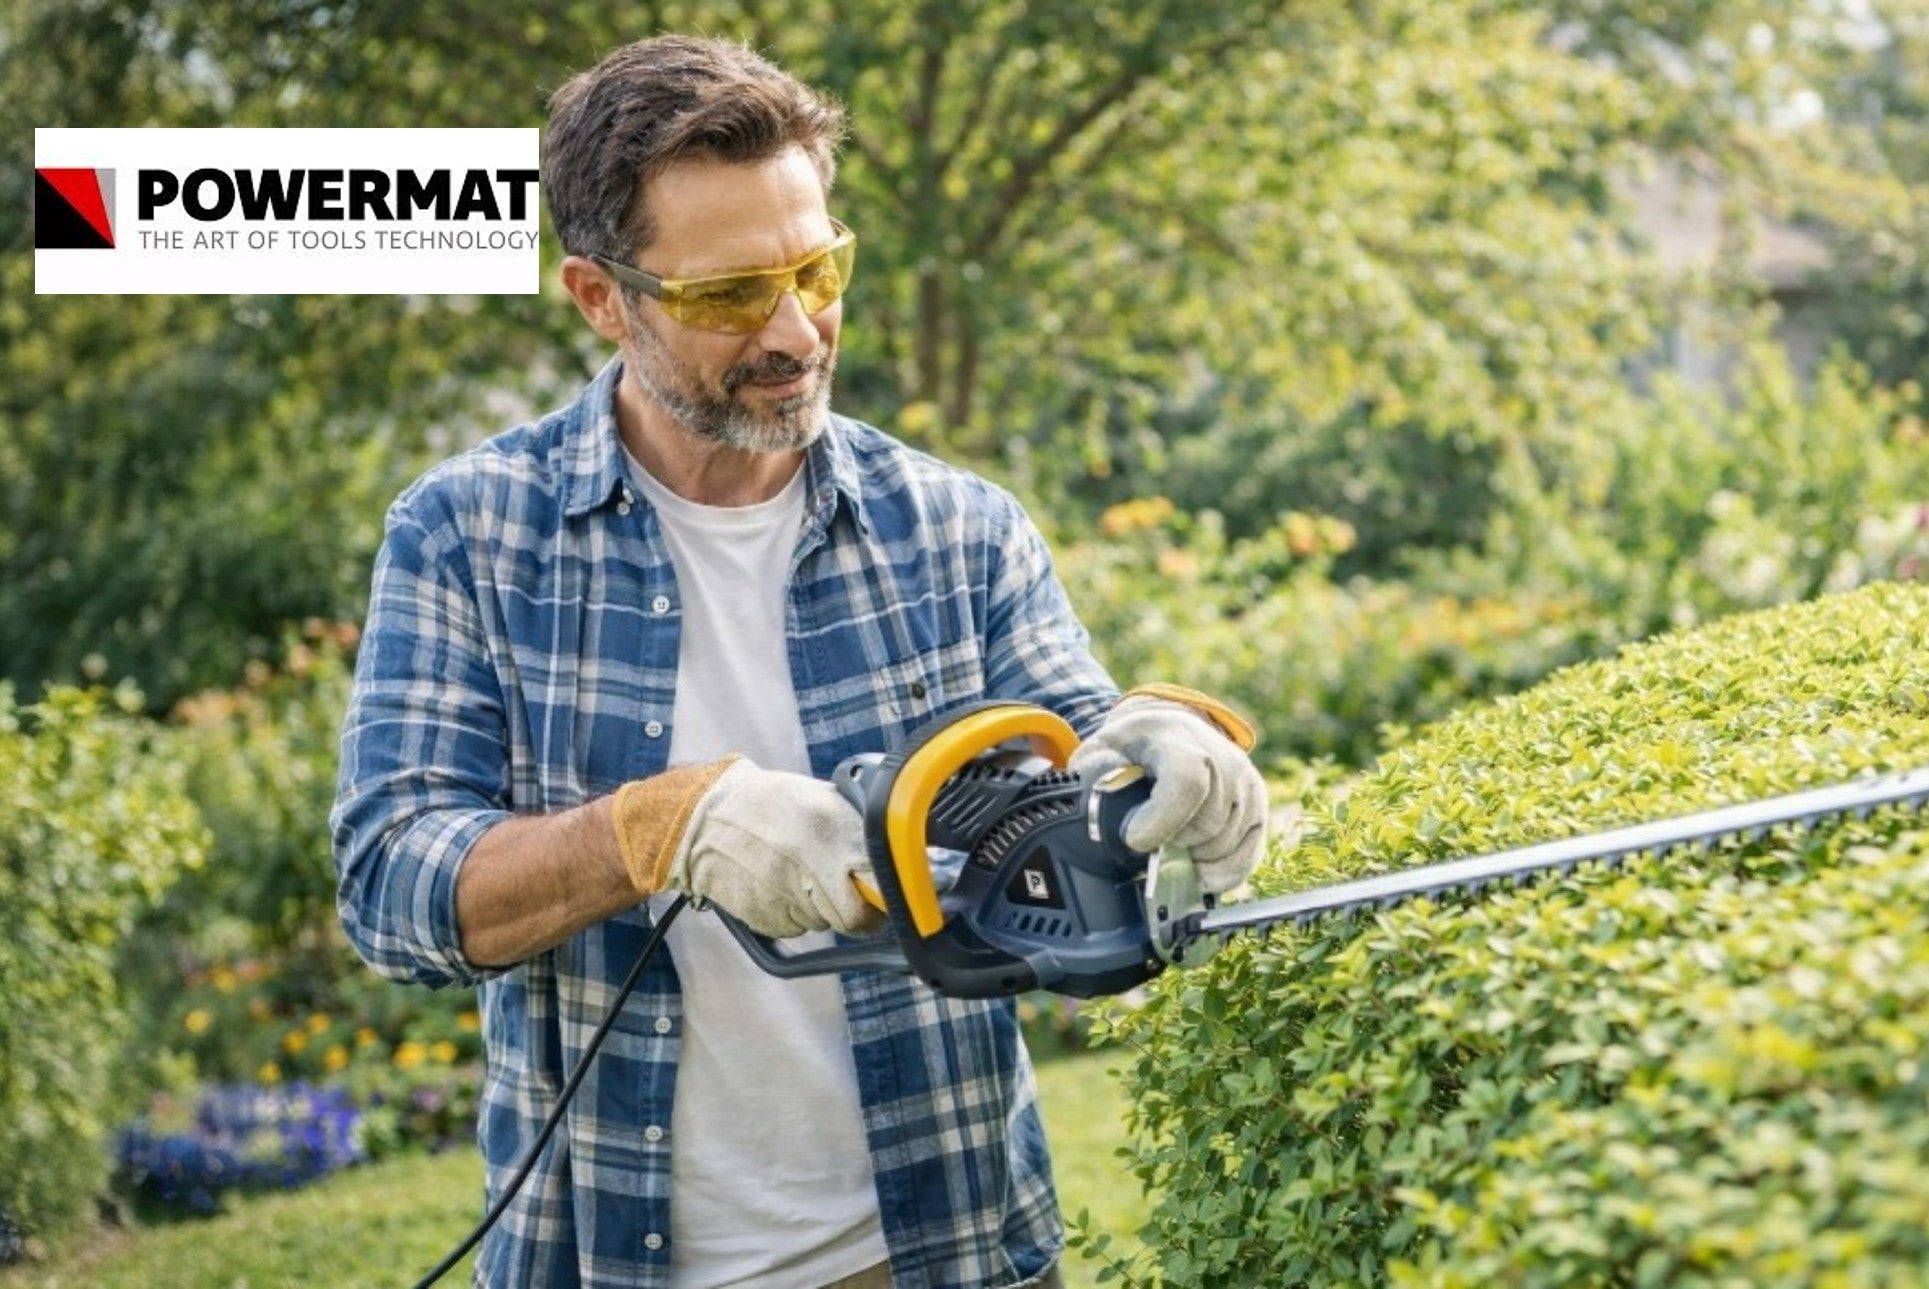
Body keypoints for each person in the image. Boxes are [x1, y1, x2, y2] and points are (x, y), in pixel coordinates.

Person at [332, 34, 1268, 1289]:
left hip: (950, 1248)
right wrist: (657, 827)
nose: (792, 331)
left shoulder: (953, 524)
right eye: (727, 296)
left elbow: (1079, 735)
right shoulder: (469, 534)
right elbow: (391, 884)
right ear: (602, 297)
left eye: (816, 269)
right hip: (611, 1258)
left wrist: (1166, 742)